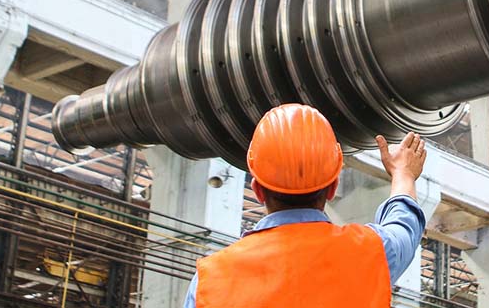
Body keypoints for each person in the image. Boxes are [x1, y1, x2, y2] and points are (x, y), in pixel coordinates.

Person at [183, 103, 428, 307]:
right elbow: (404, 224)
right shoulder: (372, 252)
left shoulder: (210, 280)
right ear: (333, 187)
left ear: (257, 190)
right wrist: (402, 174)